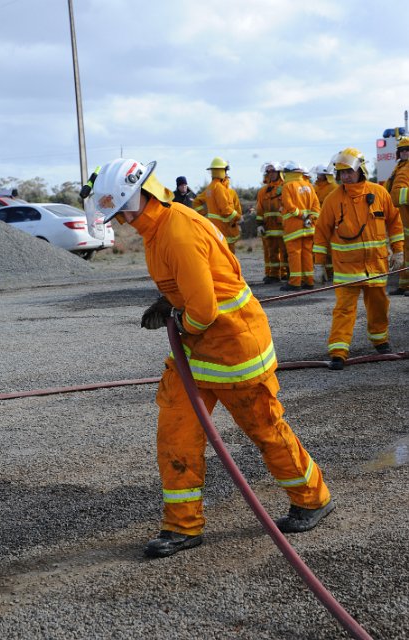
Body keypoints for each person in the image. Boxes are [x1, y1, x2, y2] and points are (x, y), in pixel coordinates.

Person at [90, 157, 334, 558]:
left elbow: (202, 311)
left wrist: (177, 319)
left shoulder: (177, 232)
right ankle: (182, 526)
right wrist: (168, 301)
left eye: (119, 212)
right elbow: (192, 286)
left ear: (135, 200)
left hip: (235, 350)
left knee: (266, 430)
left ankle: (313, 499)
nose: (118, 221)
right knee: (176, 433)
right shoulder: (160, 225)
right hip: (198, 353)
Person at [313, 147, 404, 371]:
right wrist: (318, 263)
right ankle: (338, 351)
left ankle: (380, 341)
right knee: (344, 310)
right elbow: (321, 232)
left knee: (379, 306)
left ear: (360, 170)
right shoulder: (333, 200)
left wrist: (399, 250)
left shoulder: (379, 193)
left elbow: (394, 222)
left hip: (376, 266)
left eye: (349, 172)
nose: (345, 176)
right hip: (346, 269)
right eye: (341, 173)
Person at [279, 161, 320, 291]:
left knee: (294, 254)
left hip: (293, 227)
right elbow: (316, 206)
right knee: (307, 253)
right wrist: (310, 218)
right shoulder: (309, 186)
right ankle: (309, 281)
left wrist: (301, 215)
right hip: (309, 227)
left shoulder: (287, 186)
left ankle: (295, 282)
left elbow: (289, 206)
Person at [193, 157, 241, 254]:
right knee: (229, 258)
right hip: (225, 230)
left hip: (214, 229)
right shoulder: (219, 188)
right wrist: (238, 217)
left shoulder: (210, 187)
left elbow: (196, 202)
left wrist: (205, 215)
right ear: (223, 171)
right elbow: (225, 210)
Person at [256, 162, 287, 284]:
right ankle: (274, 274)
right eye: (269, 172)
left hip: (283, 226)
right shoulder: (263, 191)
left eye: (274, 171)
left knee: (285, 252)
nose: (271, 174)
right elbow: (260, 209)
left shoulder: (286, 187)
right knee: (271, 251)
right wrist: (259, 224)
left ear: (279, 173)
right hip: (269, 227)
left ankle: (285, 273)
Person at [385, 136, 409, 296]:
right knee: (405, 253)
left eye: (407, 150)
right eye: (402, 150)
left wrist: (394, 196)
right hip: (402, 218)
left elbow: (397, 194)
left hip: (406, 215)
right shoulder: (399, 167)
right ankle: (404, 285)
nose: (405, 152)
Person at [313, 164, 338, 280]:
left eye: (321, 175)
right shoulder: (315, 188)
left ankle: (332, 272)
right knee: (320, 248)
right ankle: (325, 272)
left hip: (331, 221)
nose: (318, 177)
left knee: (331, 249)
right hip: (318, 222)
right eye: (318, 174)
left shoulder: (333, 187)